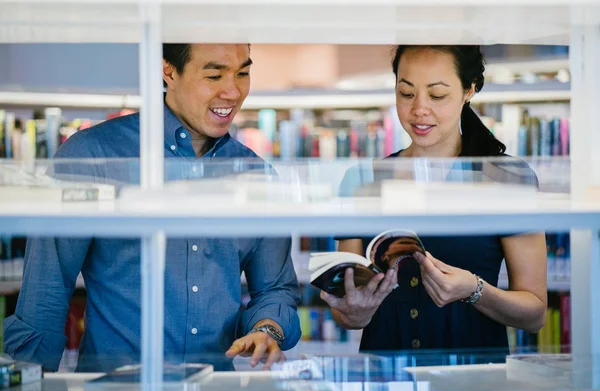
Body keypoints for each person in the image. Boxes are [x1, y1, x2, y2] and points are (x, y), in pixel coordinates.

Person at [4, 44, 301, 372]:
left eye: (243, 73)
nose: (233, 91)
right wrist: (25, 387)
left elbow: (275, 288)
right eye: (214, 75)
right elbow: (46, 296)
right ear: (169, 71)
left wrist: (266, 328)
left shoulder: (256, 175)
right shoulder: (92, 156)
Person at [322, 45, 547, 355]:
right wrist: (355, 311)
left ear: (469, 90)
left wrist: (474, 290)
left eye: (437, 95)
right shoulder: (361, 180)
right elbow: (346, 312)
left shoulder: (508, 177)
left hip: (472, 378)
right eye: (406, 93)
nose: (419, 109)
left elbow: (535, 315)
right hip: (386, 375)